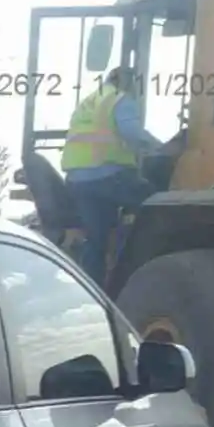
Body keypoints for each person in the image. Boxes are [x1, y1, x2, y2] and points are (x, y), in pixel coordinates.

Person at [62, 67, 168, 284]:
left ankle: (93, 287)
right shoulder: (120, 100)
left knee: (96, 238)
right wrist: (161, 149)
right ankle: (132, 260)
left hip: (79, 180)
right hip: (108, 174)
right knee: (158, 203)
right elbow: (132, 132)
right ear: (128, 83)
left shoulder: (89, 102)